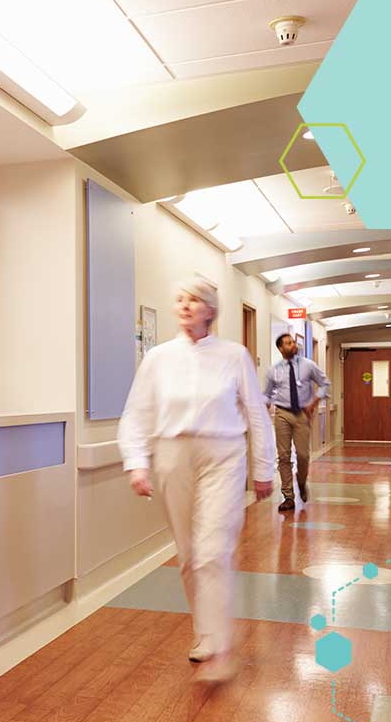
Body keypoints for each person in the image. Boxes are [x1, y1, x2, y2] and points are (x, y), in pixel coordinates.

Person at [118, 277, 275, 683]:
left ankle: (220, 646)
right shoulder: (158, 358)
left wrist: (264, 469)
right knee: (189, 555)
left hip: (223, 454)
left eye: (195, 300)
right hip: (173, 455)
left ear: (210, 310)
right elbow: (137, 413)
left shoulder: (233, 355)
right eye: (180, 299)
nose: (186, 306)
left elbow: (256, 414)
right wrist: (136, 463)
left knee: (212, 550)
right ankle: (205, 633)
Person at [263, 333, 331, 511]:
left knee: (302, 455)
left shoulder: (308, 365)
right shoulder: (273, 370)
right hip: (282, 414)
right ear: (280, 348)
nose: (292, 345)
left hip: (302, 414)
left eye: (293, 342)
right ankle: (288, 496)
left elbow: (325, 383)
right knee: (284, 456)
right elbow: (266, 394)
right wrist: (263, 406)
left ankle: (301, 482)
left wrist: (314, 402)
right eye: (288, 343)